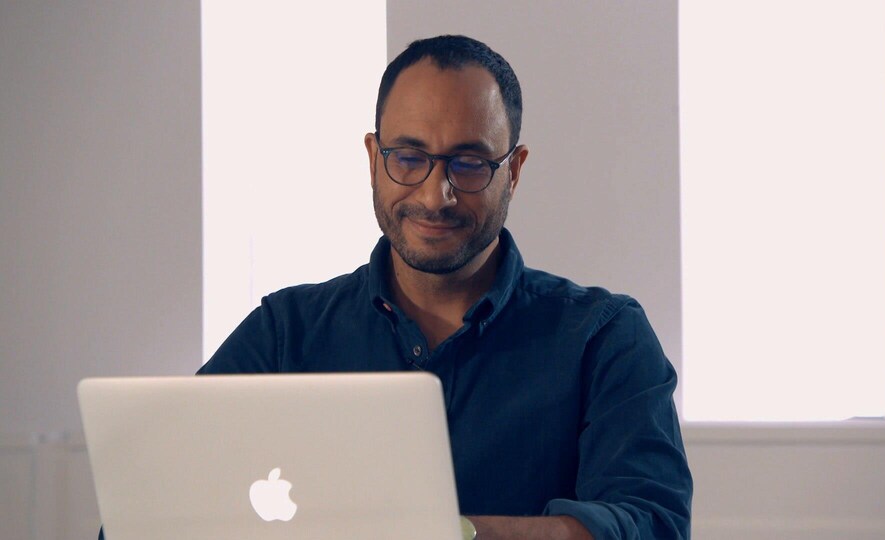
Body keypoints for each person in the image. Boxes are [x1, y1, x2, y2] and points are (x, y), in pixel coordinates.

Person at [203, 35, 691, 539]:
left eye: (470, 163)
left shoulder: (604, 337)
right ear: (373, 158)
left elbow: (652, 524)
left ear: (514, 171)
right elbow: (155, 498)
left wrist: (446, 532)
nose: (436, 196)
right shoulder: (285, 332)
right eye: (409, 158)